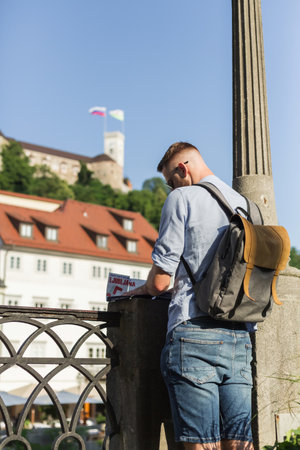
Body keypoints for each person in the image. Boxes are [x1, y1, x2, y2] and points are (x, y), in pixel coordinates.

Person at [125, 142, 254, 450]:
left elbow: (159, 282)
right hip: (239, 336)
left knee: (201, 445)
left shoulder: (181, 199)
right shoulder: (245, 205)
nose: (172, 186)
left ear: (182, 169)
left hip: (194, 334)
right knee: (239, 444)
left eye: (171, 180)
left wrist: (137, 289)